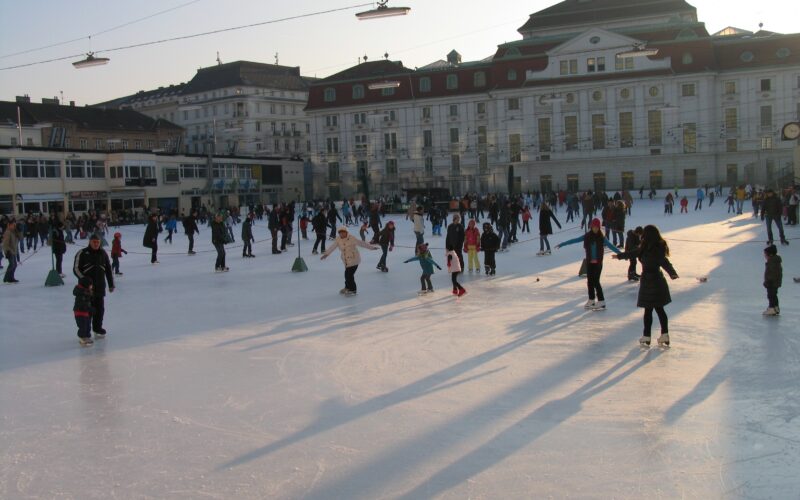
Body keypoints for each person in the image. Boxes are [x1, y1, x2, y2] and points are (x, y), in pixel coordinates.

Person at [613, 225, 678, 346]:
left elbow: (632, 254)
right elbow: (664, 262)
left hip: (648, 281)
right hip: (658, 281)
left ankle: (647, 336)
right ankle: (664, 334)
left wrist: (619, 256)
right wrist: (672, 273)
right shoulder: (658, 248)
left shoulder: (644, 248)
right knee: (659, 309)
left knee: (648, 311)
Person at [556, 218, 622, 310]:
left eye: (597, 227)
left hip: (598, 263)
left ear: (599, 227)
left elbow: (611, 246)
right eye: (593, 227)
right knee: (590, 282)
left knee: (596, 282)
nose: (595, 229)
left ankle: (601, 301)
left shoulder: (602, 238)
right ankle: (591, 300)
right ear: (591, 227)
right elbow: (574, 240)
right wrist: (562, 244)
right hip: (590, 263)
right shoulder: (587, 236)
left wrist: (621, 254)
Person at [73, 234, 114, 337]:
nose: (96, 244)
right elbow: (76, 269)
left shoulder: (103, 253)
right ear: (90, 242)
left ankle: (97, 328)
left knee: (99, 310)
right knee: (87, 311)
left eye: (97, 242)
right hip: (86, 290)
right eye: (94, 242)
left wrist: (111, 284)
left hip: (100, 287)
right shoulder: (82, 253)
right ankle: (85, 332)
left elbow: (108, 269)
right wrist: (85, 280)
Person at [321, 226, 377, 296]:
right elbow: (333, 246)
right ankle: (347, 287)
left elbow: (361, 243)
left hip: (354, 259)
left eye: (343, 232)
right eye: (340, 233)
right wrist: (326, 254)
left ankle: (353, 290)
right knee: (347, 275)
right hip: (346, 260)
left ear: (346, 232)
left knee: (349, 275)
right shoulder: (338, 239)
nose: (342, 234)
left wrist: (371, 247)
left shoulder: (351, 238)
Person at [446, 213, 466, 296]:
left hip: (458, 246)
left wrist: (459, 245)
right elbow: (448, 237)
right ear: (454, 219)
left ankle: (461, 267)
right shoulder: (450, 226)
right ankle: (455, 289)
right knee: (450, 259)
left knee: (458, 257)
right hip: (451, 246)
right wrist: (447, 246)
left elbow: (462, 237)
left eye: (458, 218)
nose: (458, 219)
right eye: (456, 218)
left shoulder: (460, 227)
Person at [73, 276, 95, 346]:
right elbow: (82, 304)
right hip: (80, 313)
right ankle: (82, 337)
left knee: (88, 325)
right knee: (83, 326)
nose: (91, 286)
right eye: (90, 285)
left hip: (85, 312)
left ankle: (87, 336)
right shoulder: (81, 294)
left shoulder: (86, 292)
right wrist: (89, 309)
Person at [762, 244, 783, 316]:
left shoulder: (772, 262)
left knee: (771, 295)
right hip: (775, 282)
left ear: (770, 255)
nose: (764, 256)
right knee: (774, 295)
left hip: (772, 282)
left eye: (765, 254)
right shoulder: (774, 261)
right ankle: (776, 307)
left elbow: (772, 273)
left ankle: (772, 308)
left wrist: (768, 281)